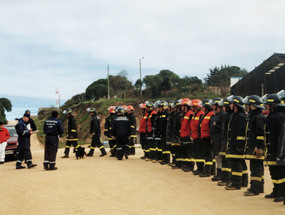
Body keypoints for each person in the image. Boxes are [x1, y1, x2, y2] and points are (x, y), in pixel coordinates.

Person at [264, 93, 285, 203]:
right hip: (271, 149)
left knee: (280, 172)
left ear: (273, 105)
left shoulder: (280, 117)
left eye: (268, 105)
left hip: (277, 149)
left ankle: (282, 192)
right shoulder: (272, 116)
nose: (267, 106)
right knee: (273, 171)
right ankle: (276, 190)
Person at [244, 95, 266, 196]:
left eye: (248, 105)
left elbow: (260, 134)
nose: (246, 107)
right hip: (254, 146)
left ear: (253, 105)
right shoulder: (254, 116)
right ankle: (259, 187)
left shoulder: (258, 117)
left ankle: (255, 189)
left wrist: (259, 147)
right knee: (258, 167)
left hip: (256, 147)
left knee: (255, 168)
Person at [225, 96, 248, 190]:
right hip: (234, 144)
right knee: (240, 163)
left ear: (235, 105)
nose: (229, 105)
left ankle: (236, 183)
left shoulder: (240, 116)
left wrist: (239, 145)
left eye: (231, 104)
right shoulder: (235, 115)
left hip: (237, 145)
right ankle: (243, 182)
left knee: (236, 164)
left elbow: (241, 132)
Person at [210, 98, 226, 181]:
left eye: (213, 105)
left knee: (220, 157)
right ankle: (218, 173)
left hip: (220, 140)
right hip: (215, 140)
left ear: (217, 106)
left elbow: (223, 128)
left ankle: (220, 174)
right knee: (216, 157)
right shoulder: (215, 115)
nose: (212, 107)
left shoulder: (223, 115)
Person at [199, 99, 215, 177]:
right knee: (207, 154)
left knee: (209, 155)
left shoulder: (211, 115)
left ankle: (207, 171)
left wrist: (212, 138)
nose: (202, 108)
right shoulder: (204, 115)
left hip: (208, 137)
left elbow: (211, 127)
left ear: (207, 107)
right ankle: (211, 171)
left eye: (203, 107)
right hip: (204, 137)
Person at [179, 98, 194, 172]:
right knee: (184, 151)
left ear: (186, 106)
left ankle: (190, 166)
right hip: (183, 135)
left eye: (182, 106)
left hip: (187, 136)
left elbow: (191, 125)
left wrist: (191, 135)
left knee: (189, 152)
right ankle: (185, 164)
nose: (181, 107)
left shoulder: (190, 114)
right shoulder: (183, 114)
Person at [190, 99, 205, 175]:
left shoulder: (201, 114)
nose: (191, 108)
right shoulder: (194, 115)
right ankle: (198, 168)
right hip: (195, 137)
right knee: (196, 153)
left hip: (199, 138)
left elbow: (200, 127)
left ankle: (201, 169)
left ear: (196, 107)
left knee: (200, 154)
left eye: (192, 107)